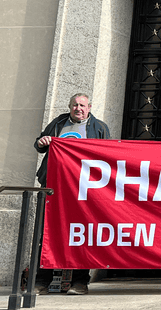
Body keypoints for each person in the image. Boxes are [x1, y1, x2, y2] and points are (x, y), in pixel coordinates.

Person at [33, 93, 110, 295]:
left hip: (82, 190)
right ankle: (42, 282)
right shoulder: (58, 123)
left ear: (89, 107)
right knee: (48, 234)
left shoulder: (99, 128)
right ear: (69, 107)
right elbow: (39, 143)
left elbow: (107, 156)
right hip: (54, 187)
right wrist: (42, 143)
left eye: (82, 105)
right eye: (75, 105)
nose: (78, 109)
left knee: (82, 234)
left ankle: (80, 282)